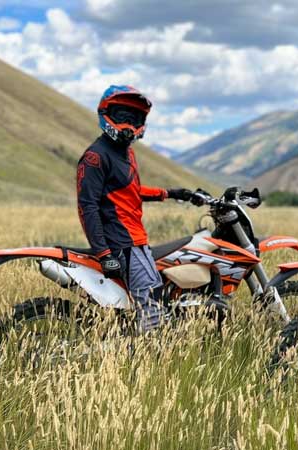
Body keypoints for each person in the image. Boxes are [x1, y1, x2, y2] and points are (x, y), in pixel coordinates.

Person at [76, 85, 203, 333]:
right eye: (122, 116)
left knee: (159, 290)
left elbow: (129, 190)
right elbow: (87, 206)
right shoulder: (96, 156)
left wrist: (171, 193)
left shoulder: (126, 153)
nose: (128, 124)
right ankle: (148, 352)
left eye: (135, 118)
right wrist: (104, 253)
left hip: (136, 240)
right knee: (150, 296)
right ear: (106, 113)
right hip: (121, 243)